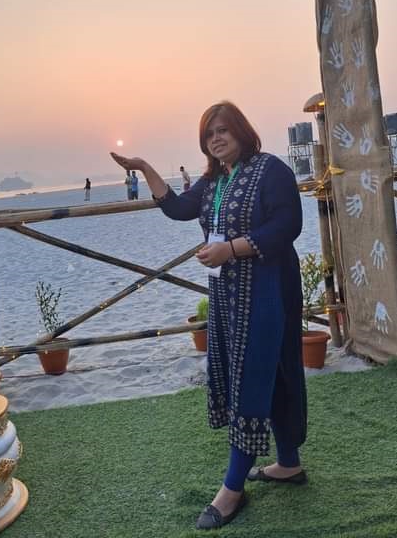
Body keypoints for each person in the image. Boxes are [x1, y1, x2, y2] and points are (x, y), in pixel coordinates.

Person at [110, 101, 307, 530]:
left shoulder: (270, 170)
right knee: (267, 371)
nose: (215, 139)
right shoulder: (214, 179)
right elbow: (178, 208)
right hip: (228, 294)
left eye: (222, 130)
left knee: (252, 376)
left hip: (268, 289)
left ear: (241, 131)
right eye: (208, 134)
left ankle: (232, 488)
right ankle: (289, 463)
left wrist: (230, 249)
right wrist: (144, 167)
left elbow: (288, 225)